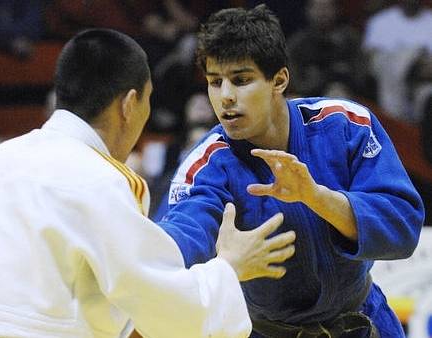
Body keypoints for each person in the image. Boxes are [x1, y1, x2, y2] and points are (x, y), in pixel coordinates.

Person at [0, 28, 297, 338]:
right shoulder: (101, 180)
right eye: (148, 101)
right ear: (129, 104)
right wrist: (230, 266)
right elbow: (167, 312)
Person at [157, 5, 425, 338]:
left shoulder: (346, 125)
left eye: (241, 80)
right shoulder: (207, 166)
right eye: (215, 82)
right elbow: (178, 236)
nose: (225, 96)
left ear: (279, 80)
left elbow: (404, 226)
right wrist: (220, 263)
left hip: (362, 320)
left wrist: (317, 197)